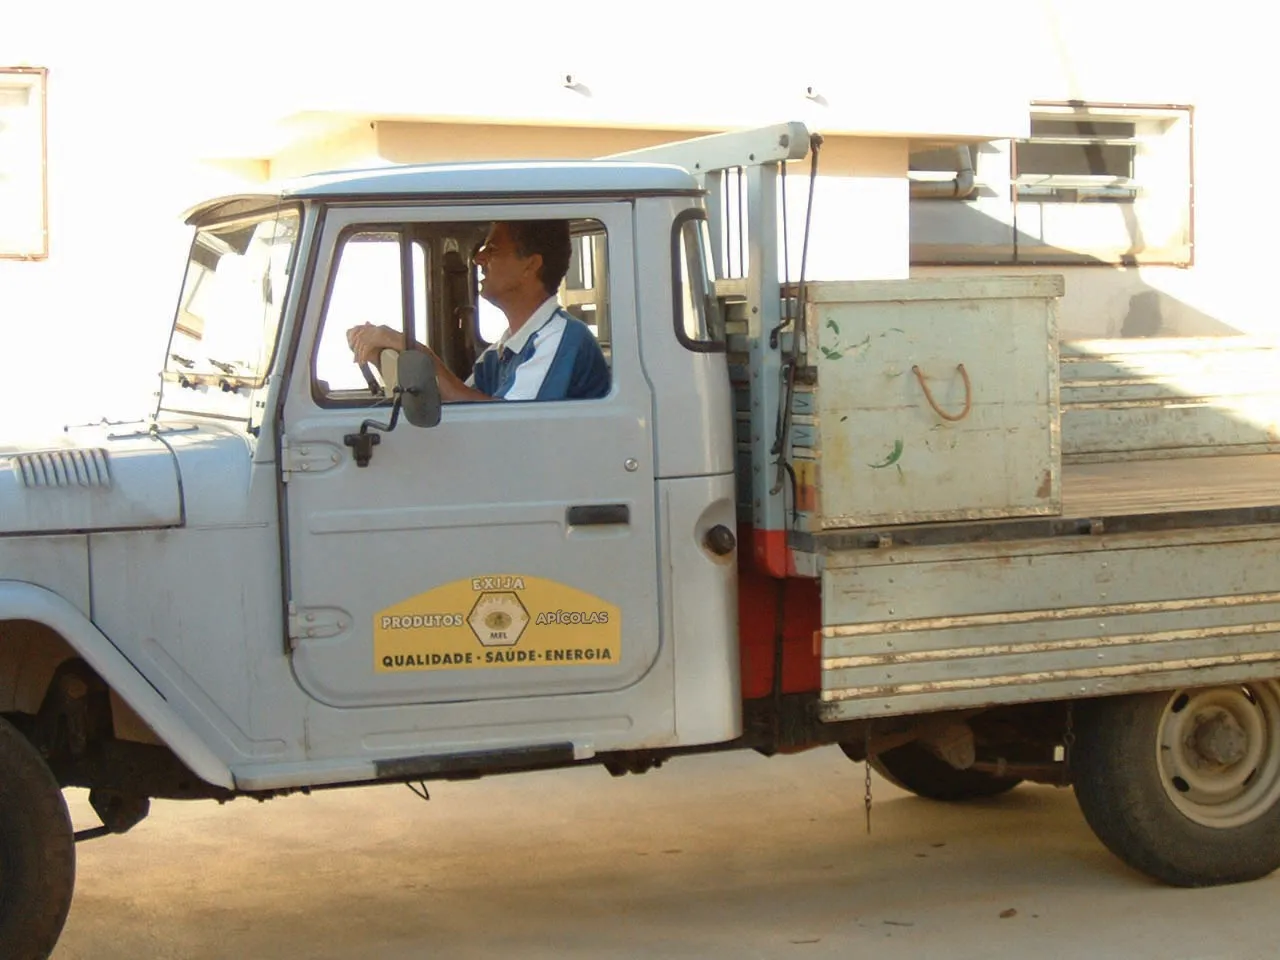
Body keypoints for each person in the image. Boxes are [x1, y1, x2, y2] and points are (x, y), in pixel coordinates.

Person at [346, 220, 610, 402]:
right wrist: (380, 356)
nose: (478, 259)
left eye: (492, 250)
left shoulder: (562, 339)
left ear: (530, 265)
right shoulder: (500, 353)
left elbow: (507, 424)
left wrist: (409, 346)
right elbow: (457, 405)